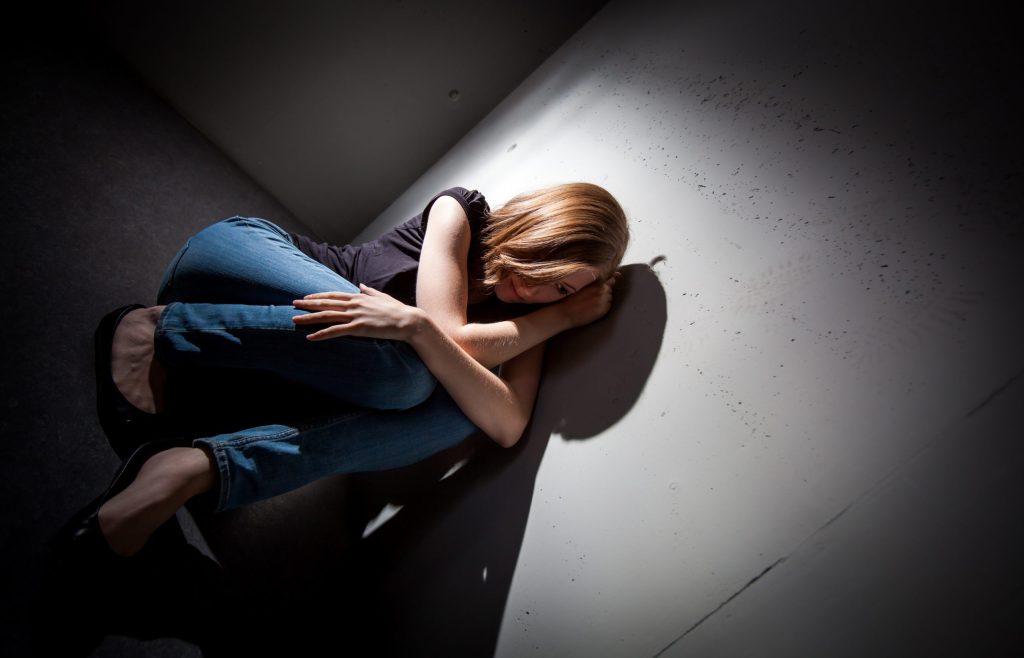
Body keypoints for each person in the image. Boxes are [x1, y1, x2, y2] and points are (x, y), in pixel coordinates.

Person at [56, 182, 629, 571]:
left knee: (458, 407)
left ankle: (196, 468)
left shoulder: (527, 323)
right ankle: (158, 330)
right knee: (410, 378)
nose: (533, 288)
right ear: (534, 225)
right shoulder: (464, 212)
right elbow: (451, 330)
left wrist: (543, 322)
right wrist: (549, 316)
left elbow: (506, 424)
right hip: (236, 263)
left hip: (261, 373)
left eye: (558, 288)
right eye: (542, 264)